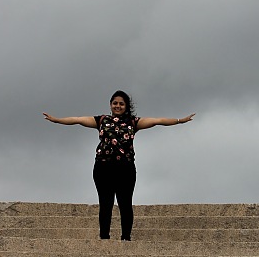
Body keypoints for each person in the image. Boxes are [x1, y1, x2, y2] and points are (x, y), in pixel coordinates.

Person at [43, 91, 195, 241]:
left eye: (121, 103)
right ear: (110, 105)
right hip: (103, 167)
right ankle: (104, 238)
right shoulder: (101, 120)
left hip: (125, 168)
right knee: (105, 203)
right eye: (115, 103)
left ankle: (126, 238)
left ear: (126, 106)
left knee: (125, 204)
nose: (118, 106)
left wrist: (180, 120)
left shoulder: (133, 122)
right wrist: (56, 120)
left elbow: (157, 121)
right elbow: (77, 120)